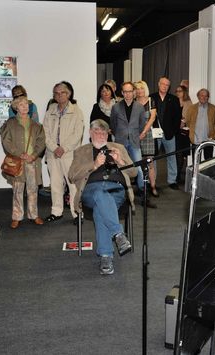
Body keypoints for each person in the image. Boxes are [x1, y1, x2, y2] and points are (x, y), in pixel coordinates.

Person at [68, 119, 136, 275]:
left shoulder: (118, 148)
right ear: (91, 134)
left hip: (116, 190)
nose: (100, 135)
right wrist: (94, 165)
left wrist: (120, 161)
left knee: (101, 206)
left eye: (104, 132)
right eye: (97, 132)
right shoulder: (81, 151)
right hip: (91, 191)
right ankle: (118, 234)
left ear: (108, 134)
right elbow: (72, 175)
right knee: (99, 194)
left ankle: (106, 255)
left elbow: (134, 173)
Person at [1, 95, 46, 229]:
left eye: (26, 104)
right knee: (18, 189)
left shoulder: (36, 125)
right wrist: (18, 153)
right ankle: (17, 216)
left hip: (32, 161)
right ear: (16, 107)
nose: (25, 107)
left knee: (33, 189)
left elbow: (41, 141)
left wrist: (33, 155)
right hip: (17, 161)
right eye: (21, 104)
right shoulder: (10, 124)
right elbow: (6, 141)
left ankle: (34, 215)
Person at [43, 82, 84, 223]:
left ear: (69, 94)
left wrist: (63, 148)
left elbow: (78, 134)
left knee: (73, 185)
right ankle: (56, 211)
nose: (59, 96)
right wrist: (55, 148)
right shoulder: (50, 111)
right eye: (56, 93)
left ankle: (76, 213)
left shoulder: (76, 111)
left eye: (62, 93)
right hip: (52, 153)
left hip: (69, 154)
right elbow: (45, 133)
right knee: (55, 184)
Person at [110, 82, 152, 207]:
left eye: (130, 91)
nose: (128, 94)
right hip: (120, 142)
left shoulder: (139, 107)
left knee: (138, 168)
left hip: (134, 141)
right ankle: (121, 195)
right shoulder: (116, 107)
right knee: (120, 168)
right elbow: (113, 124)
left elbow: (141, 124)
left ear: (134, 92)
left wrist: (135, 134)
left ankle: (143, 194)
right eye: (125, 91)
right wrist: (120, 134)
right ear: (122, 93)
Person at [149, 77, 182, 189]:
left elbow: (177, 118)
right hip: (154, 133)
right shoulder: (151, 97)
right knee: (153, 157)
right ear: (159, 84)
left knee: (171, 156)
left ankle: (172, 181)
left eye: (167, 85)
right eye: (163, 84)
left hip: (169, 133)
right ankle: (152, 181)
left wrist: (173, 131)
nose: (164, 86)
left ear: (169, 87)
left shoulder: (174, 99)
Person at [134, 80, 159, 197]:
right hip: (136, 134)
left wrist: (143, 132)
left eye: (141, 88)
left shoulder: (151, 101)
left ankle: (153, 187)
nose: (139, 91)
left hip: (148, 135)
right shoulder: (133, 103)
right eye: (137, 89)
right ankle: (142, 187)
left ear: (145, 89)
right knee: (138, 162)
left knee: (150, 163)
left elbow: (152, 118)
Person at [184, 88, 215, 160]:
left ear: (208, 97)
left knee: (208, 162)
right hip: (195, 140)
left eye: (206, 96)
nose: (204, 97)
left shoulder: (213, 108)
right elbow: (188, 122)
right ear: (198, 96)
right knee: (196, 162)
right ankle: (196, 172)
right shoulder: (191, 108)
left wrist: (214, 136)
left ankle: (208, 172)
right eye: (202, 95)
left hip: (208, 139)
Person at [175, 85, 192, 182]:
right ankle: (176, 175)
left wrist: (183, 121)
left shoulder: (189, 103)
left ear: (184, 92)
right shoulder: (174, 101)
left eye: (180, 91)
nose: (178, 92)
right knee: (176, 154)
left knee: (181, 154)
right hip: (175, 131)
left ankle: (178, 175)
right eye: (177, 91)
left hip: (184, 132)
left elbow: (190, 117)